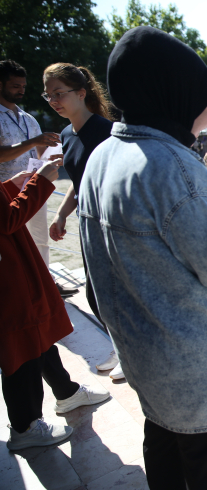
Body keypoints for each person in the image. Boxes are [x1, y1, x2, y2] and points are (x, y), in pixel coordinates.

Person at [79, 26, 207, 490]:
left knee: (165, 458)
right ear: (173, 98)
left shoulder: (104, 154)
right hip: (200, 373)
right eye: (206, 109)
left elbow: (159, 233)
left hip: (150, 361)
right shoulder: (172, 165)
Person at [2, 158, 110, 451]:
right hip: (7, 268)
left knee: (36, 329)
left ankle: (66, 392)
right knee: (20, 342)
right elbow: (7, 220)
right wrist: (39, 183)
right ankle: (25, 426)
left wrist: (10, 187)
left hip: (13, 261)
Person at [41, 62, 124, 380]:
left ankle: (131, 353)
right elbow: (79, 181)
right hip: (88, 225)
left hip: (114, 227)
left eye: (59, 93)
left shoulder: (107, 132)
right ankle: (122, 348)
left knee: (115, 292)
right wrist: (61, 213)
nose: (53, 101)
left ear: (81, 93)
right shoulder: (66, 134)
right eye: (48, 95)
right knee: (96, 293)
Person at [0, 60, 79, 299]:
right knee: (13, 244)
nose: (21, 90)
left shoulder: (28, 118)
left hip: (34, 187)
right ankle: (21, 293)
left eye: (23, 86)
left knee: (40, 239)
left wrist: (56, 157)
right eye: (15, 86)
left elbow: (38, 154)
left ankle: (45, 285)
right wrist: (34, 142)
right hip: (6, 192)